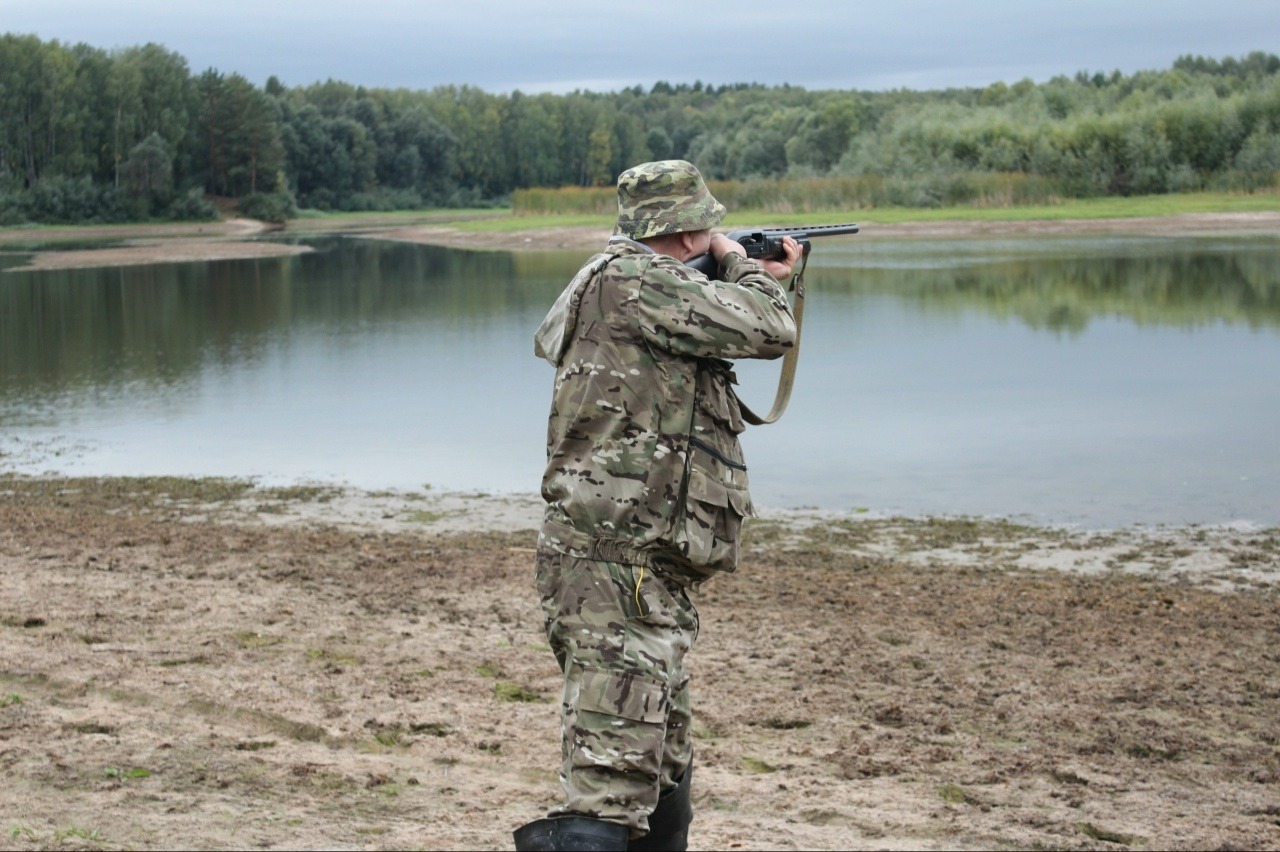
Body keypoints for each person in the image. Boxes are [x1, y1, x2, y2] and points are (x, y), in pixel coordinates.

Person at [514, 160, 801, 852]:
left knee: (660, 769)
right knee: (611, 784)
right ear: (686, 228)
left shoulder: (625, 281)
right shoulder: (633, 281)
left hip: (642, 571)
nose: (720, 232)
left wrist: (720, 266)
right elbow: (769, 328)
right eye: (710, 223)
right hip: (615, 570)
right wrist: (744, 265)